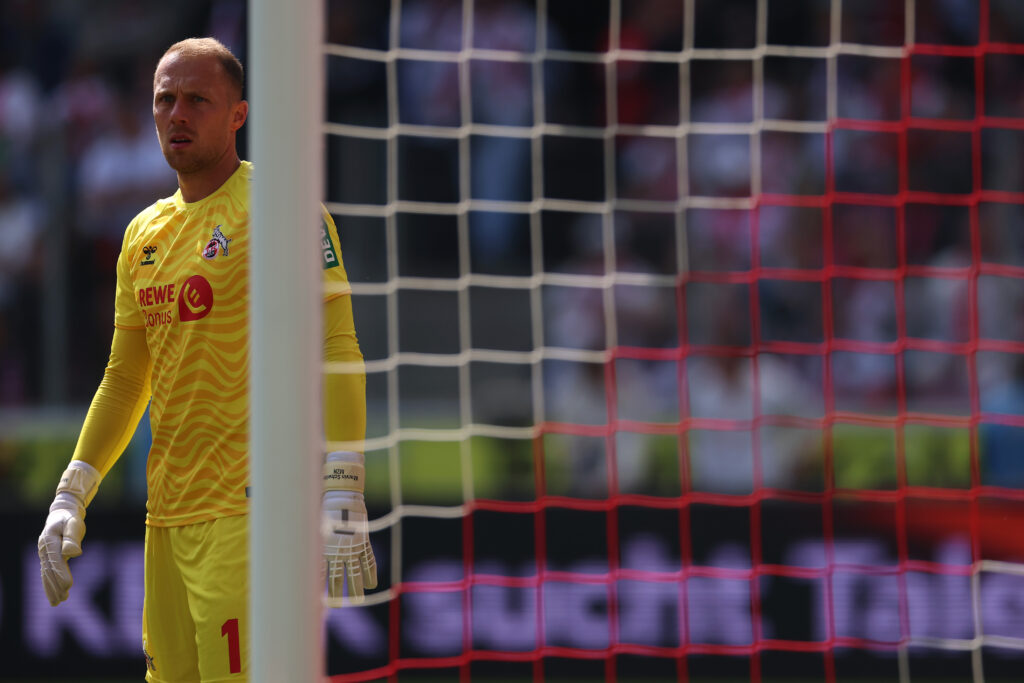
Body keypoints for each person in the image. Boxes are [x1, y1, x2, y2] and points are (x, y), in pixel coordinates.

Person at [35, 37, 376, 682]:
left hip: (251, 513)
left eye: (197, 100)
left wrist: (343, 479)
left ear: (239, 114)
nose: (177, 114)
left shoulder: (280, 208)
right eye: (165, 100)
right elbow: (126, 376)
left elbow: (335, 344)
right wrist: (71, 493)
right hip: (165, 517)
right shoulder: (142, 235)